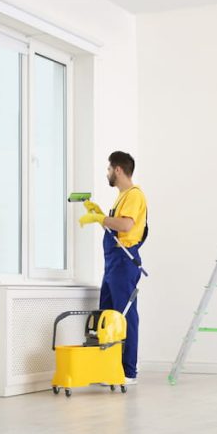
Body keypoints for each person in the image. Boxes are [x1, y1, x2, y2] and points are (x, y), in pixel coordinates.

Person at [78, 151, 148, 384]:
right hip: (112, 264)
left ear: (118, 169)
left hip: (124, 262)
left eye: (109, 169)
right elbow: (115, 228)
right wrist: (100, 215)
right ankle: (107, 369)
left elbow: (126, 226)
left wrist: (100, 219)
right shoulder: (122, 197)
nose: (107, 173)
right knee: (107, 316)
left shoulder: (134, 195)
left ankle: (128, 372)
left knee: (124, 316)